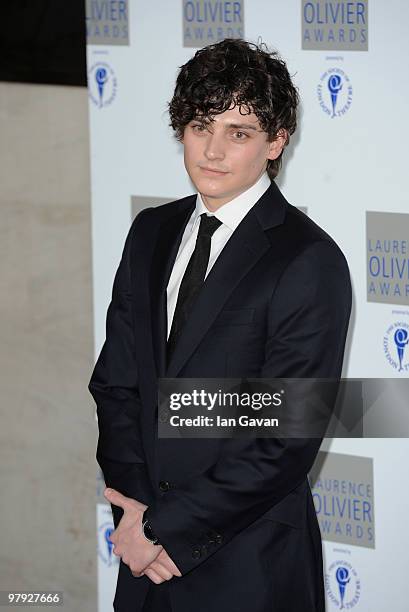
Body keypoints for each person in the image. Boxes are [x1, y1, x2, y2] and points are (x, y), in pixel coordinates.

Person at [88, 38, 352, 612]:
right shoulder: (150, 233)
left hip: (247, 565)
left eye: (239, 132)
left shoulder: (308, 260)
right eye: (200, 125)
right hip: (142, 563)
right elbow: (117, 385)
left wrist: (165, 530)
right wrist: (135, 517)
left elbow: (286, 437)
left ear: (276, 141)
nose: (211, 150)